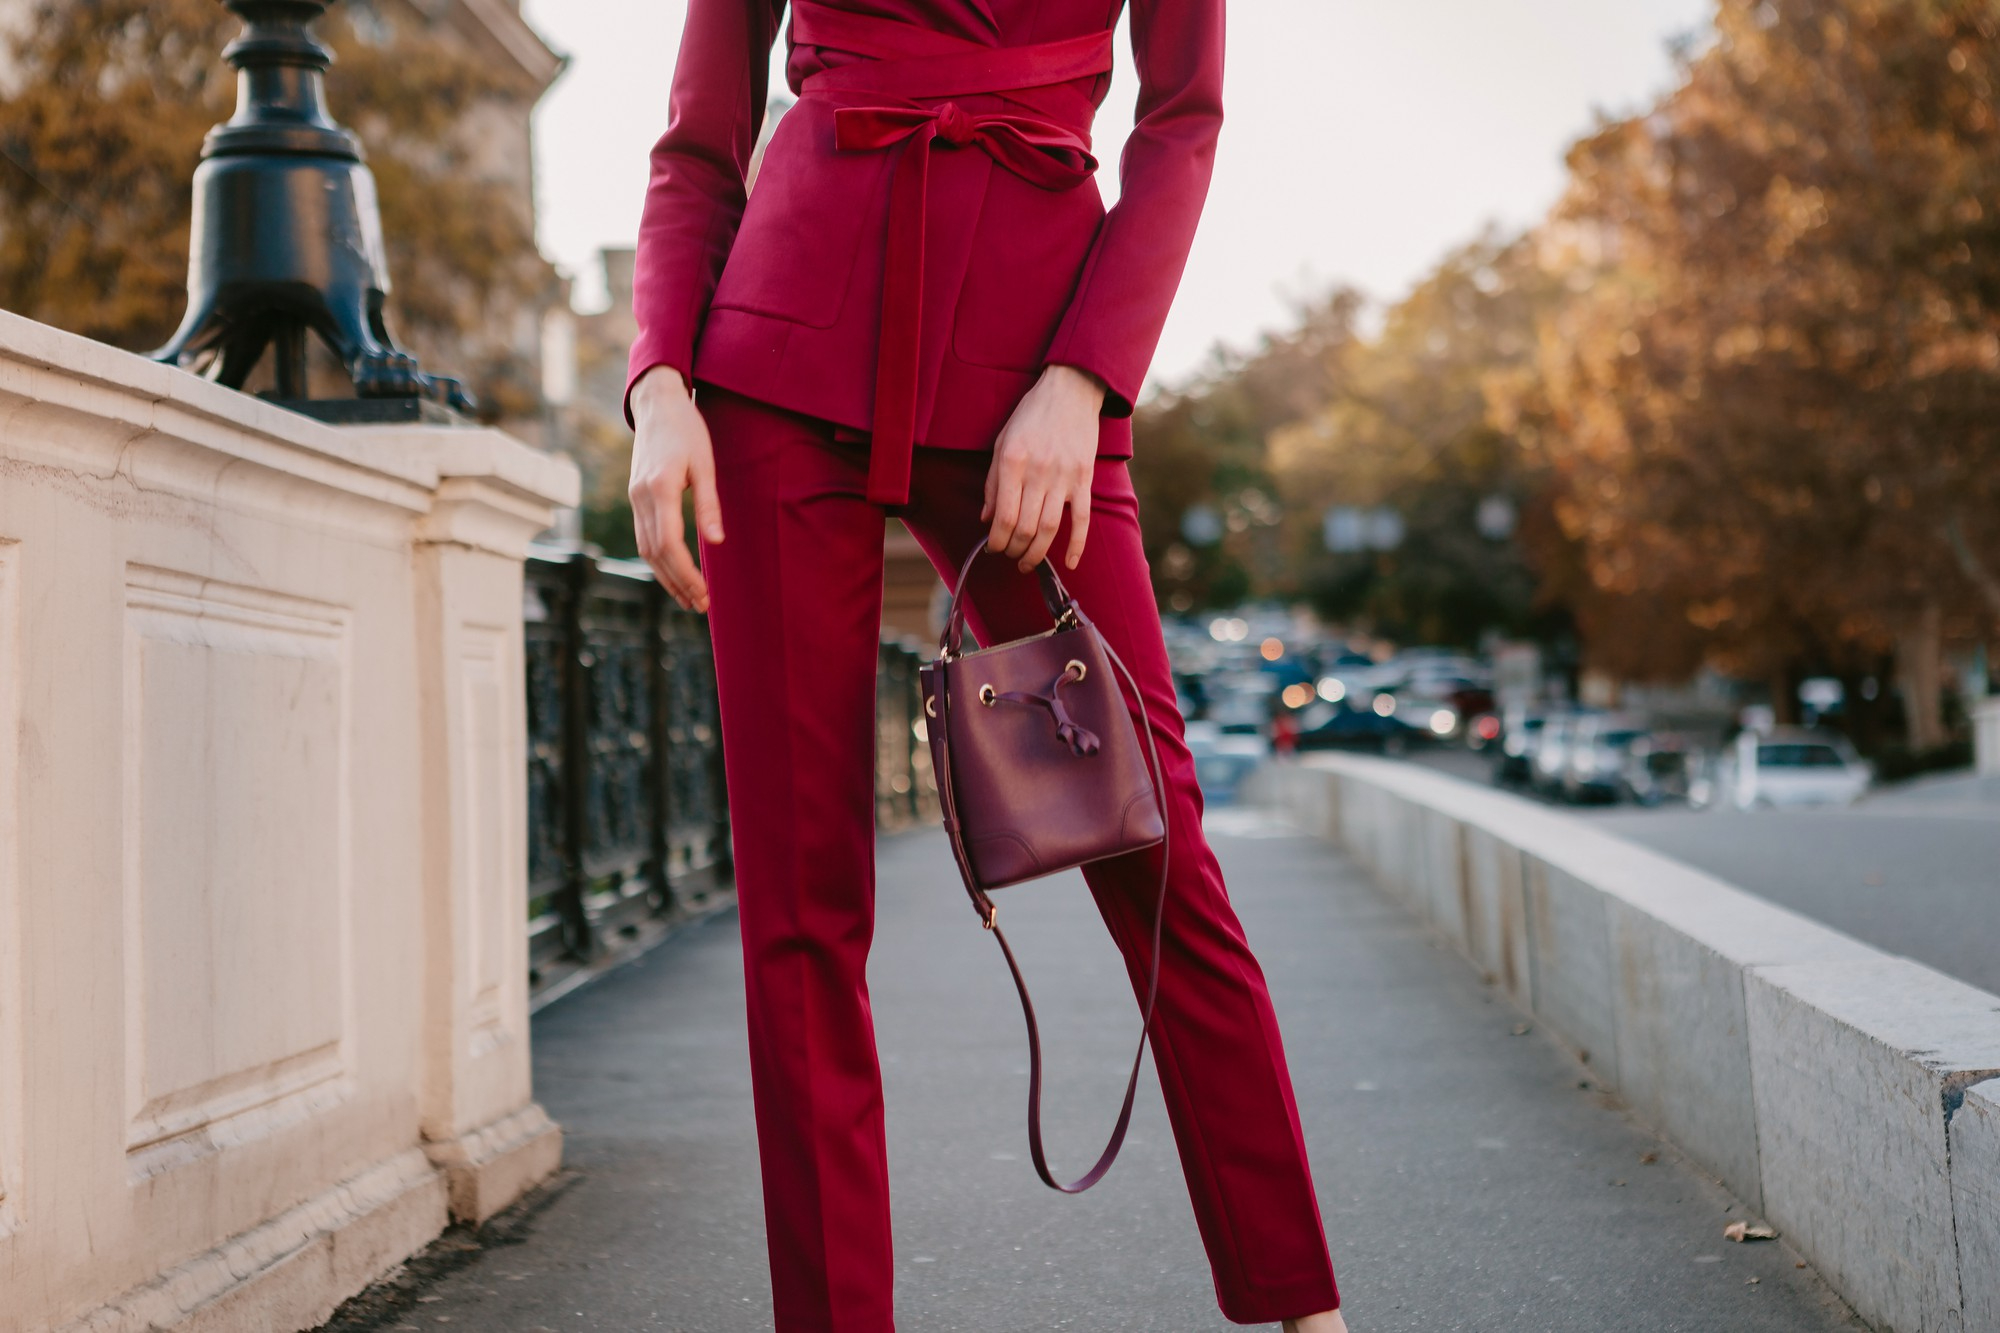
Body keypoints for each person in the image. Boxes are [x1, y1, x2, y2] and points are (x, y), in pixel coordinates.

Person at [623, 2, 1346, 1329]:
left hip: (1038, 375)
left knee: (1160, 850)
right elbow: (698, 143)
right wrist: (661, 379)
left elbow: (1181, 122)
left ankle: (1308, 1309)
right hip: (774, 367)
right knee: (800, 910)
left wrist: (1086, 378)